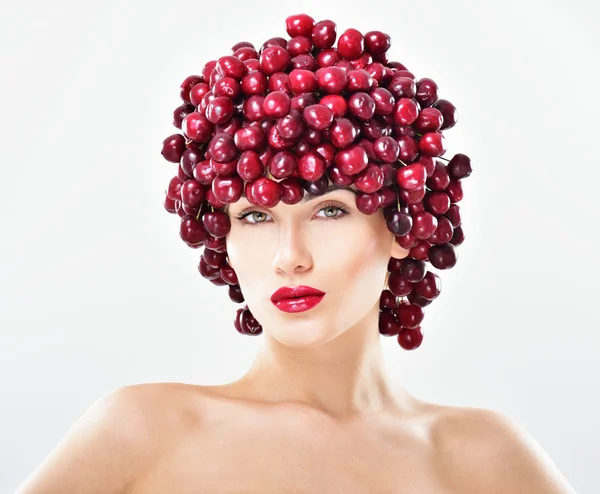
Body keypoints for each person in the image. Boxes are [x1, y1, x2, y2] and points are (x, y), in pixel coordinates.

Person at [16, 13, 576, 494]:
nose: (289, 257)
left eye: (330, 211)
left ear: (405, 222)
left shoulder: (483, 460)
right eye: (255, 216)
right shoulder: (140, 431)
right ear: (222, 238)